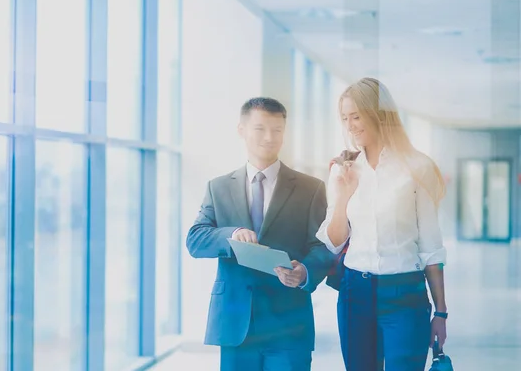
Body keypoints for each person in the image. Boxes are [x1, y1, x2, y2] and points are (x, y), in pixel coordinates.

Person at [186, 97, 335, 371]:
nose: (269, 137)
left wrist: (304, 271)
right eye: (260, 129)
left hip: (288, 323)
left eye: (277, 130)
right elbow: (195, 239)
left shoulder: (310, 188)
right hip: (235, 323)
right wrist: (233, 233)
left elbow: (322, 247)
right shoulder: (218, 187)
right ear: (241, 130)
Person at [317, 77, 448, 371]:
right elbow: (335, 240)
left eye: (357, 115)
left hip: (405, 293)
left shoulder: (417, 167)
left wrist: (441, 311)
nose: (350, 125)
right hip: (355, 293)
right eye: (345, 118)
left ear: (378, 114)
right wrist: (343, 195)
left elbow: (431, 246)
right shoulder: (343, 169)